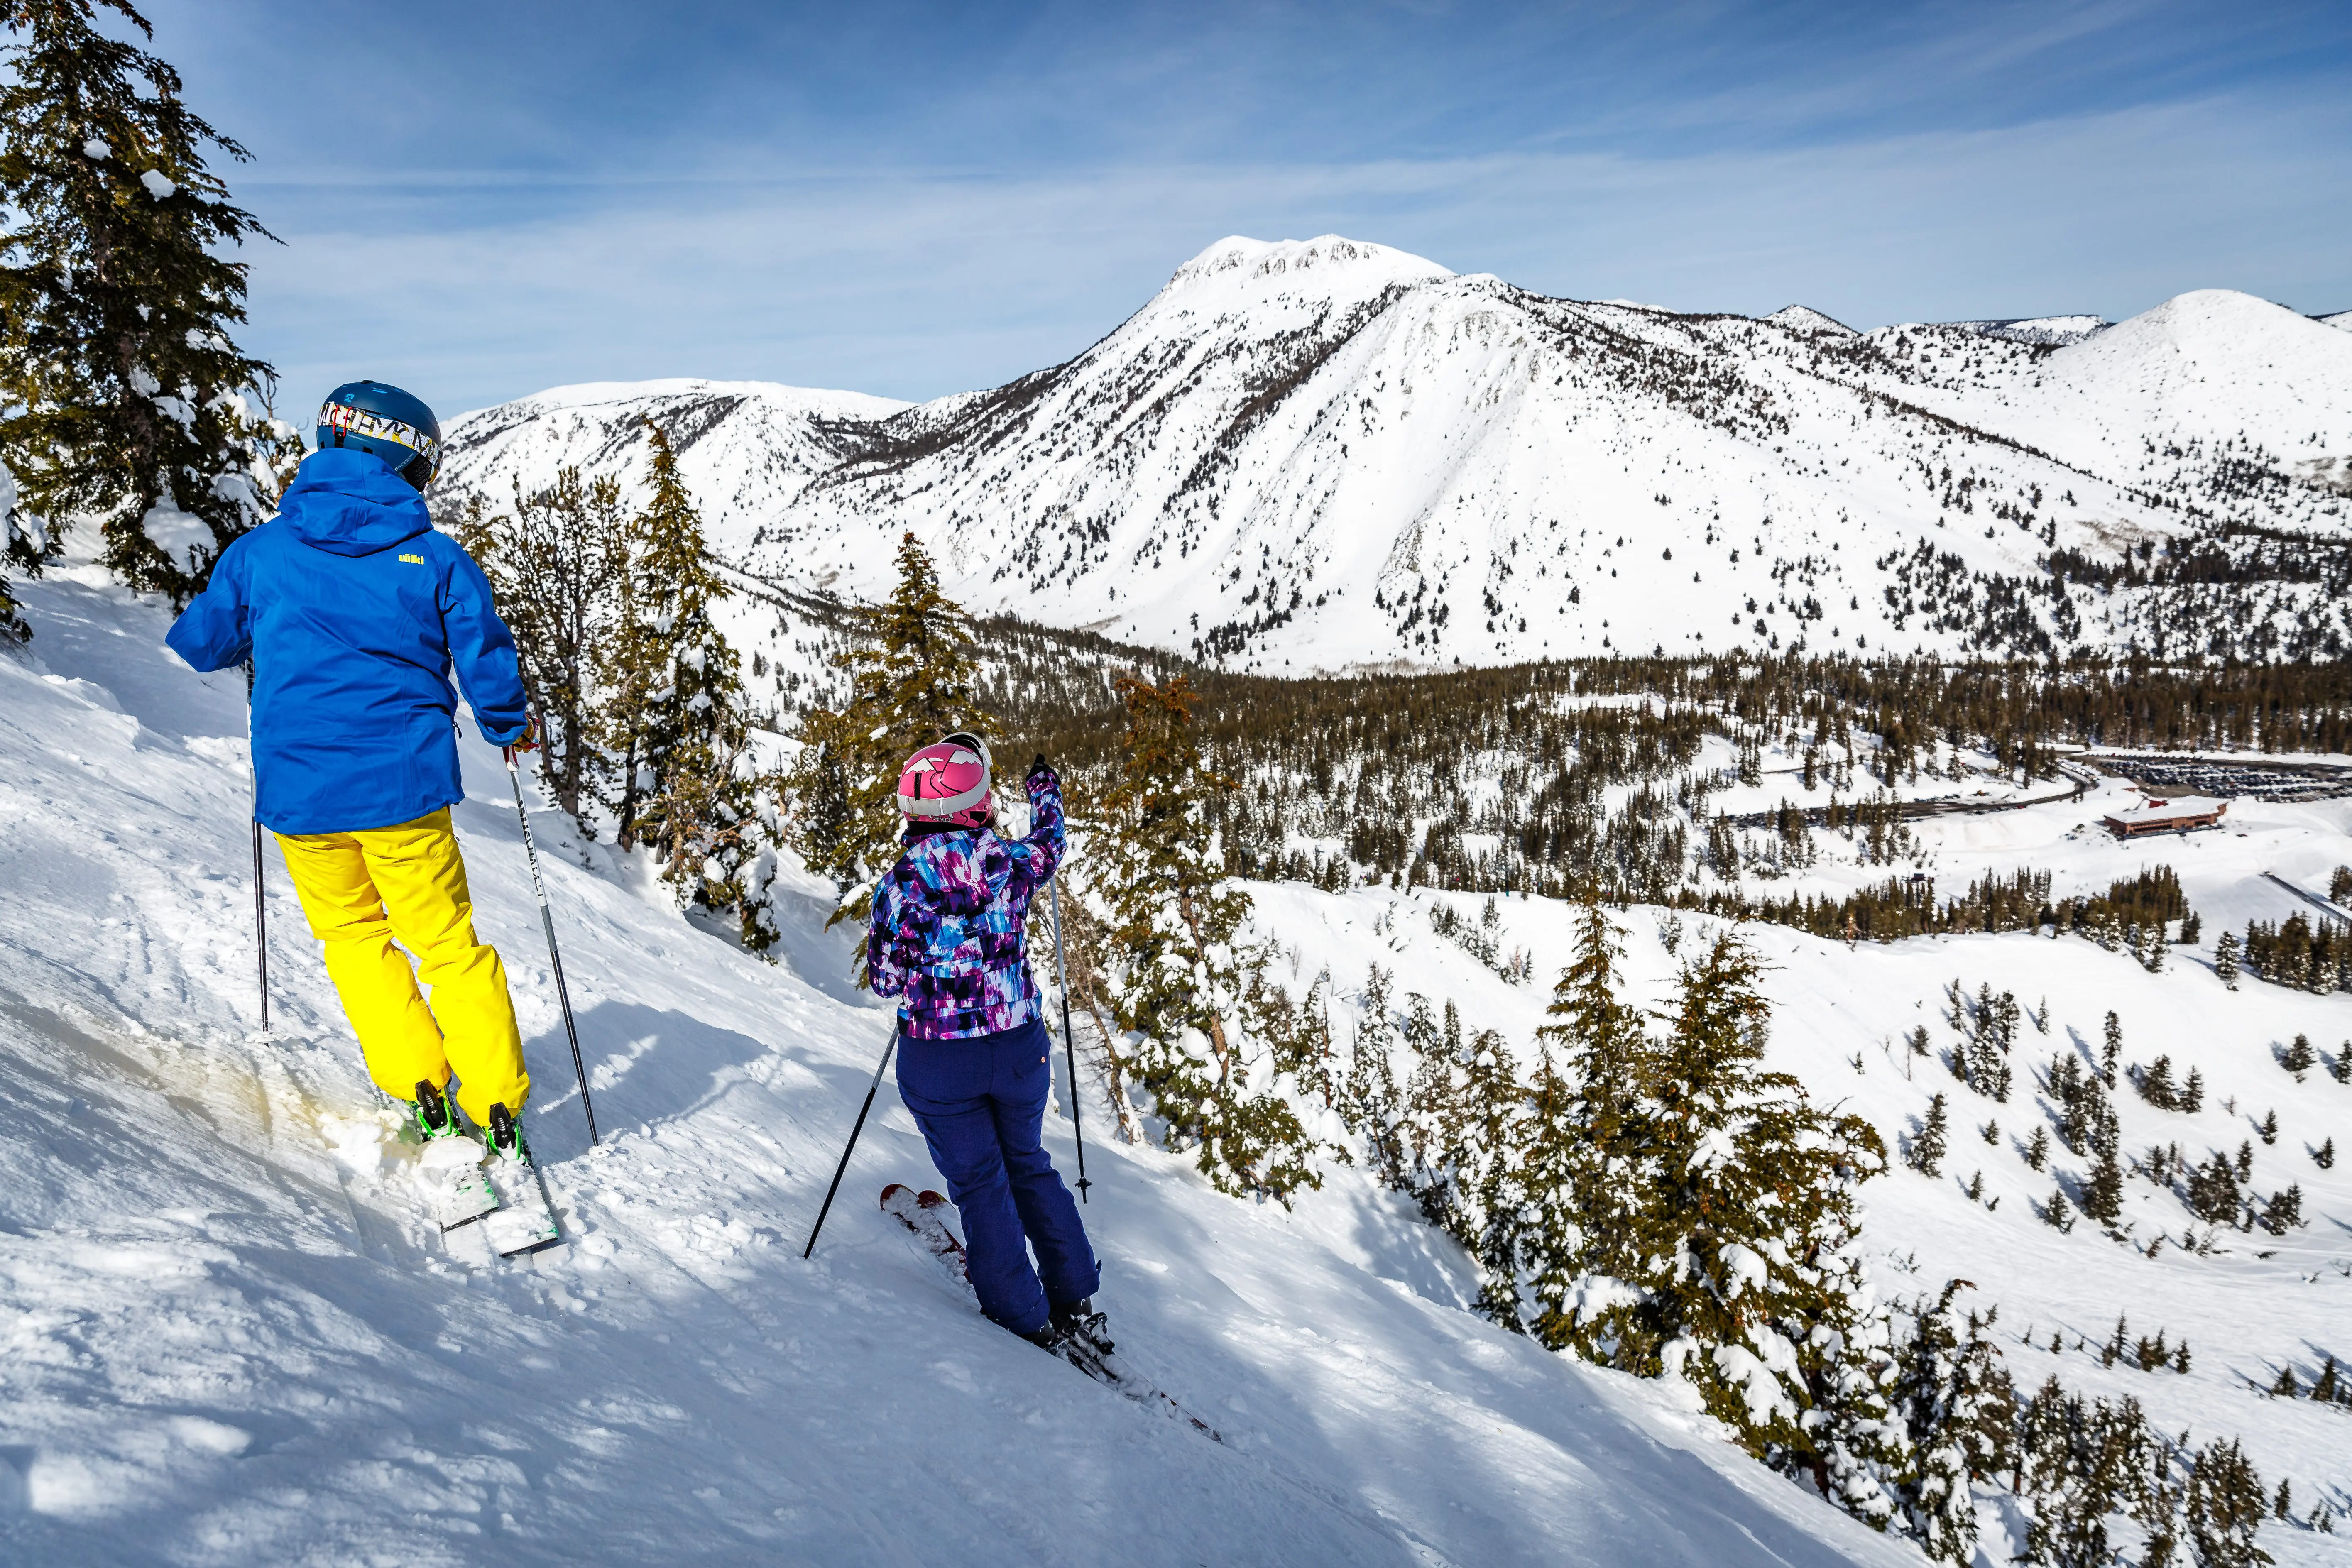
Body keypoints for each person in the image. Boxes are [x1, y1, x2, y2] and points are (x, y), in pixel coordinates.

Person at [166, 381, 538, 1153]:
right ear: (408, 462)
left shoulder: (261, 553)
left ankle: (419, 1089)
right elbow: (484, 654)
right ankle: (497, 1101)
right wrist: (506, 723)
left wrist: (256, 627)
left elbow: (202, 644)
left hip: (302, 796)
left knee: (355, 939)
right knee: (445, 944)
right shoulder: (434, 557)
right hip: (403, 790)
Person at [868, 732, 1107, 1358]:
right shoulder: (1011, 862)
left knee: (979, 1180)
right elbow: (1052, 843)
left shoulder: (902, 885)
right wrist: (1044, 791)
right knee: (1027, 1161)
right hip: (1018, 1045)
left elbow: (884, 980)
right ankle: (1074, 1287)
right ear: (977, 804)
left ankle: (1020, 1312)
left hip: (943, 1055)